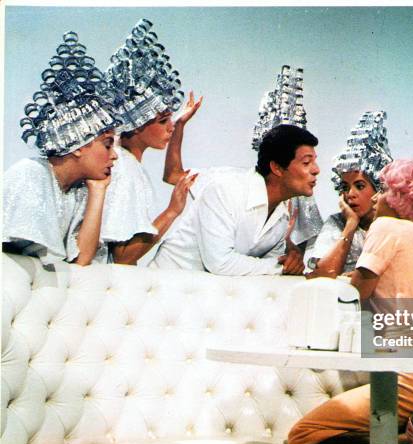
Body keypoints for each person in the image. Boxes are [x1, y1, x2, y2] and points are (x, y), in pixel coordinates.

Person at [288, 159, 413, 444]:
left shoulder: (386, 228)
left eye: (382, 189)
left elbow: (353, 296)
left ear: (400, 198)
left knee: (302, 435)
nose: (377, 197)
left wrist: (352, 226)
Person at [3, 31, 119, 266]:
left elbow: (82, 260)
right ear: (78, 147)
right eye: (107, 145)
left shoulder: (78, 191)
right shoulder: (31, 174)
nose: (114, 155)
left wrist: (98, 192)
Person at [151, 124, 319, 274]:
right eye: (306, 163)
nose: (316, 170)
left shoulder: (282, 214)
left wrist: (289, 263)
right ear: (276, 168)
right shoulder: (226, 190)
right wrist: (279, 267)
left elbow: (269, 265)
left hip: (212, 295)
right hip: (164, 285)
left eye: (314, 162)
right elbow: (220, 262)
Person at [101, 18, 196, 265]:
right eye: (163, 121)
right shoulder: (124, 168)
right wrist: (172, 211)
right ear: (137, 123)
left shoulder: (123, 162)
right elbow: (123, 258)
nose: (171, 126)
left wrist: (179, 126)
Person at [304, 111, 391, 277]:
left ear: (379, 188)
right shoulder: (337, 223)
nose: (350, 194)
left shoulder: (394, 224)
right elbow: (322, 275)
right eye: (345, 187)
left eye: (359, 186)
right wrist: (350, 225)